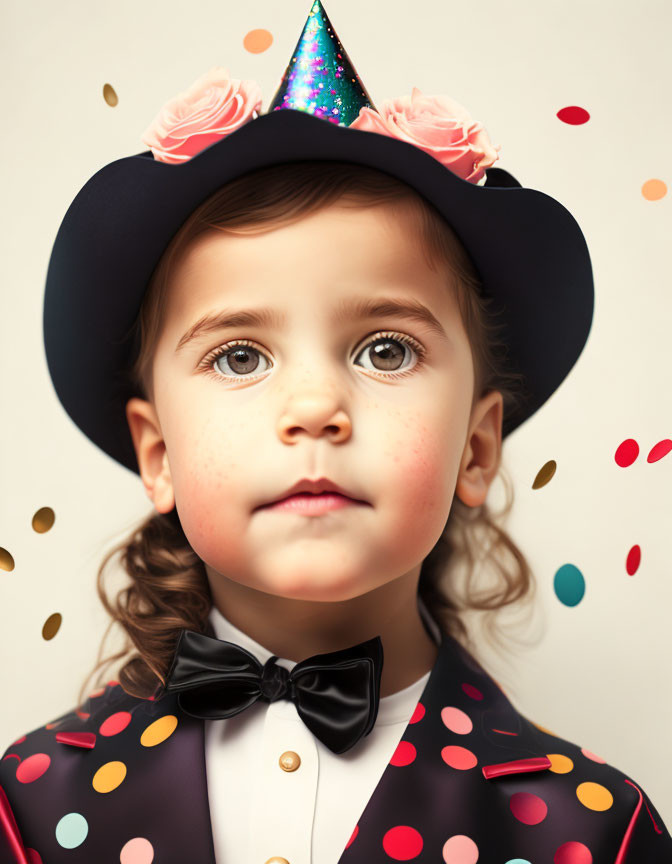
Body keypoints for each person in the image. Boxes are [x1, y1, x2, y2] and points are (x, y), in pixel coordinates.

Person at [2, 2, 670, 862]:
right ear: (157, 454)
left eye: (386, 349)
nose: (316, 406)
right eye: (241, 357)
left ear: (475, 447)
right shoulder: (25, 806)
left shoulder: (594, 831)